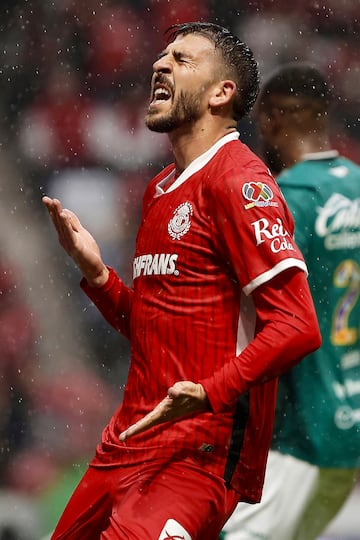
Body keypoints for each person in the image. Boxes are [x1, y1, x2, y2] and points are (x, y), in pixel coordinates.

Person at [42, 24, 321, 540]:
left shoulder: (240, 182)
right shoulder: (160, 189)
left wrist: (212, 391)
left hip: (197, 456)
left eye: (183, 59)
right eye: (163, 55)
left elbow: (298, 326)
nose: (160, 65)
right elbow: (153, 330)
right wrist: (98, 275)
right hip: (125, 443)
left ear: (222, 93)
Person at [222, 63, 360, 540]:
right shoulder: (358, 187)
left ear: (273, 120)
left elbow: (251, 320)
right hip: (350, 429)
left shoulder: (284, 202)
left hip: (299, 435)